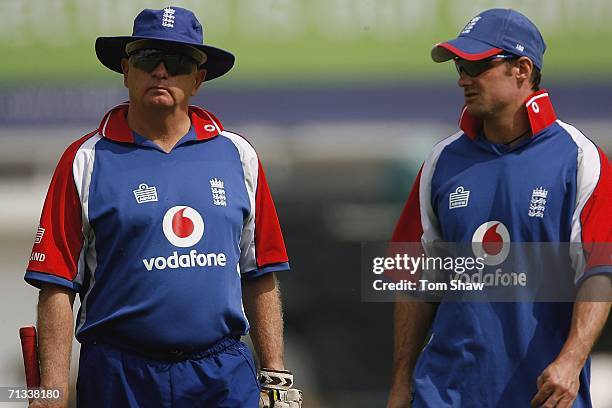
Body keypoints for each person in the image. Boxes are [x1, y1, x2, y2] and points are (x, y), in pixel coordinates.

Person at [25, 6, 301, 408]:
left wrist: (275, 374)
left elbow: (259, 272)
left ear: (198, 78)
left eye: (176, 61)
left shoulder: (238, 155)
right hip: (119, 374)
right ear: (126, 70)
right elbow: (56, 283)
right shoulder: (84, 159)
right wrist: (50, 394)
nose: (160, 71)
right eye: (147, 58)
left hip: (220, 373)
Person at [387, 8, 611, 408]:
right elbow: (413, 279)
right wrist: (401, 383)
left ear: (522, 69)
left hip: (542, 393)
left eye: (477, 65)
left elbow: (600, 271)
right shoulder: (440, 161)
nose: (462, 78)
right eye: (459, 65)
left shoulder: (580, 159)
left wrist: (571, 361)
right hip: (443, 393)